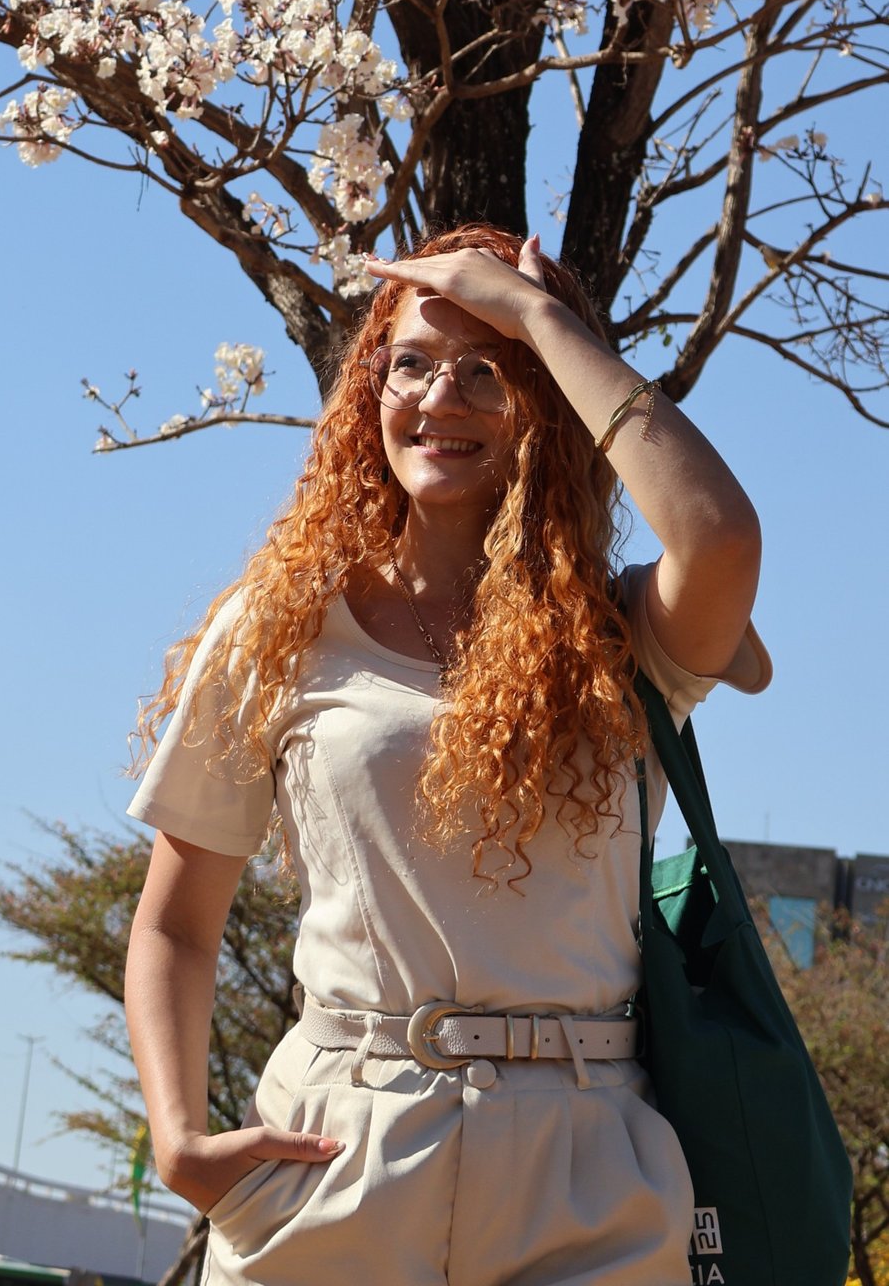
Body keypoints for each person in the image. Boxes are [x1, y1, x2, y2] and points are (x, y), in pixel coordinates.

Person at [123, 224, 770, 1286]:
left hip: (587, 1167)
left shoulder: (623, 634)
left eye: (489, 370)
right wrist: (181, 1141)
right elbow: (176, 923)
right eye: (411, 364)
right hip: (332, 1154)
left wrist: (539, 315)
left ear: (549, 400)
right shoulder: (278, 626)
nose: (441, 399)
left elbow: (721, 538)